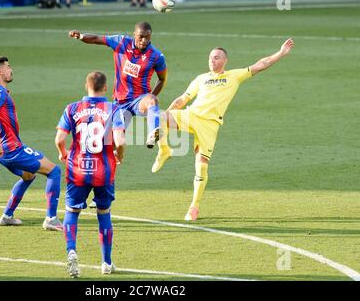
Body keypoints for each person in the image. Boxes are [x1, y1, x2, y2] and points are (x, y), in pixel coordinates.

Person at [152, 39, 295, 221]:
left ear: (225, 61)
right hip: (192, 115)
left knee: (201, 167)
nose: (212, 60)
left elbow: (260, 65)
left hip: (210, 126)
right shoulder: (201, 79)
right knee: (162, 116)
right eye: (211, 57)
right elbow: (182, 99)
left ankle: (194, 207)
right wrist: (164, 122)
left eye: (217, 57)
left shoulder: (233, 76)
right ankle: (164, 151)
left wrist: (281, 53)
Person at [0, 56, 63, 231]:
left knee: (28, 176)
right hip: (11, 148)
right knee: (54, 171)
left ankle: (7, 216)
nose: (10, 70)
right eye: (8, 67)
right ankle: (51, 219)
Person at [55, 71, 126, 278]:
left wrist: (63, 154)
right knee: (103, 214)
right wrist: (118, 156)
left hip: (77, 169)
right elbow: (120, 141)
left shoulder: (72, 108)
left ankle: (71, 251)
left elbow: (59, 138)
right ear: (106, 88)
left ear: (86, 86)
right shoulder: (114, 109)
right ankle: (106, 263)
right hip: (103, 171)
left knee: (71, 212)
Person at [68, 22, 167, 149]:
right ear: (134, 34)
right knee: (109, 143)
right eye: (141, 36)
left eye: (147, 37)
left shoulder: (156, 56)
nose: (144, 40)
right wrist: (81, 36)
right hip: (119, 102)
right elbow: (96, 39)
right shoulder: (121, 42)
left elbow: (162, 79)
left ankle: (153, 134)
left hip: (139, 100)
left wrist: (150, 96)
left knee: (152, 100)